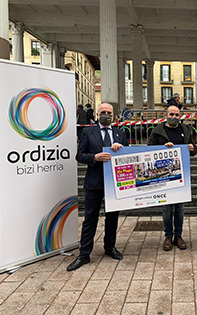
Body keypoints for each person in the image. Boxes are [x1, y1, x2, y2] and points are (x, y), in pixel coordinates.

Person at [67, 103, 128, 271]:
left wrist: (121, 149)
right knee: (90, 219)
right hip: (94, 183)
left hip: (115, 184)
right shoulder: (88, 132)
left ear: (113, 115)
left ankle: (110, 248)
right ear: (97, 114)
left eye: (109, 112)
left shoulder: (120, 133)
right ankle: (84, 254)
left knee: (112, 218)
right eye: (103, 112)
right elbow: (79, 155)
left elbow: (129, 156)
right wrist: (95, 157)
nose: (106, 115)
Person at [147, 105, 197, 251]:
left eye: (176, 114)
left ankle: (178, 236)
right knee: (167, 208)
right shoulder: (157, 131)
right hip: (164, 175)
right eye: (171, 114)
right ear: (166, 115)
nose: (174, 116)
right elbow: (149, 149)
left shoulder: (186, 130)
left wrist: (192, 149)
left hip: (181, 174)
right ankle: (168, 236)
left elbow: (193, 149)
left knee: (180, 207)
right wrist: (163, 148)